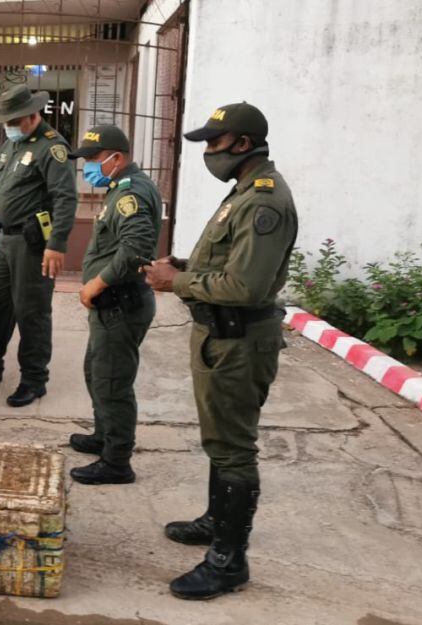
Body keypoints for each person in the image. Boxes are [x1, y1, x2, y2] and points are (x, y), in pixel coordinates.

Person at [144, 102, 297, 600]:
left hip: (239, 339)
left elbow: (247, 286)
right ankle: (216, 520)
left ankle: (229, 561)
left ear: (243, 144)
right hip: (218, 336)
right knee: (220, 438)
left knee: (234, 448)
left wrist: (179, 280)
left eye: (214, 142)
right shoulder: (244, 193)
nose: (208, 152)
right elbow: (227, 261)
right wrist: (185, 264)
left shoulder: (265, 202)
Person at [0, 85, 78, 407]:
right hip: (7, 239)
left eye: (13, 120)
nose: (7, 126)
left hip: (33, 242)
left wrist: (57, 244)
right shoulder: (13, 143)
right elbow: (5, 183)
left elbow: (65, 198)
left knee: (32, 312)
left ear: (32, 116)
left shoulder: (52, 149)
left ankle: (35, 380)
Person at [66, 125, 162, 485]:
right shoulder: (119, 188)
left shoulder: (130, 193)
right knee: (97, 372)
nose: (88, 168)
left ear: (116, 158)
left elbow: (135, 248)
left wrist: (96, 283)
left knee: (113, 383)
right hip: (112, 307)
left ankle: (117, 460)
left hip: (120, 304)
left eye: (92, 160)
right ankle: (104, 435)